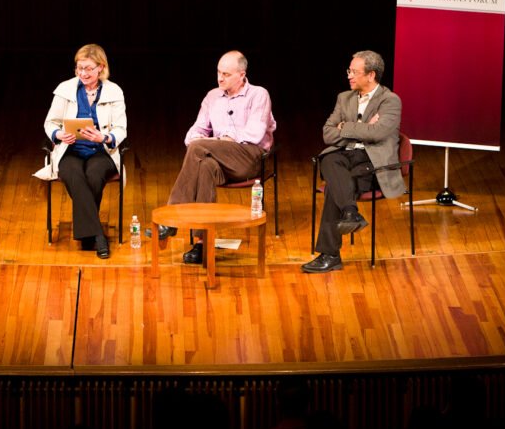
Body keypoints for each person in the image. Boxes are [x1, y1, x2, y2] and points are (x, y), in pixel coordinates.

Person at [150, 50, 276, 265]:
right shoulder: (212, 96)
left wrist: (225, 139)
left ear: (241, 75)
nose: (220, 78)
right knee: (204, 164)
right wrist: (202, 140)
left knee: (199, 149)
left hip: (249, 158)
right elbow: (195, 131)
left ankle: (172, 218)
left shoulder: (258, 94)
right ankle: (202, 244)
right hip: (220, 159)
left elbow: (254, 134)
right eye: (218, 72)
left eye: (226, 74)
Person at [303, 49, 404, 273]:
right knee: (328, 158)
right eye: (349, 71)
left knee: (334, 187)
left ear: (371, 75)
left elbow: (378, 133)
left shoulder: (390, 101)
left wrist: (346, 127)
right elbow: (327, 134)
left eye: (354, 72)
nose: (349, 75)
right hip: (344, 156)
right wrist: (364, 129)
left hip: (372, 163)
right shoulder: (344, 98)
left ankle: (329, 255)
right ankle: (351, 212)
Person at [34, 43, 127, 259]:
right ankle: (97, 235)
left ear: (100, 68)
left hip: (100, 151)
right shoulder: (66, 89)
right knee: (73, 174)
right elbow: (50, 123)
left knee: (94, 175)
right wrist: (58, 135)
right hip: (70, 150)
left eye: (88, 68)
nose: (83, 73)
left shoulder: (114, 91)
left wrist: (103, 137)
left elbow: (121, 129)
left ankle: (88, 233)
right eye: (79, 68)